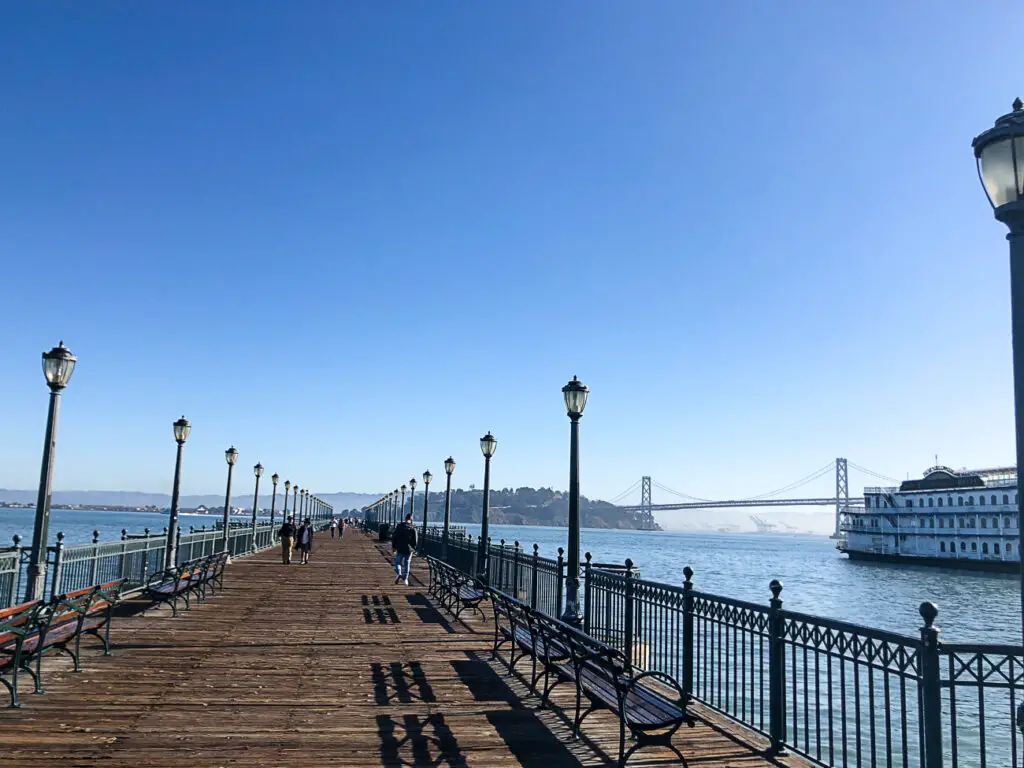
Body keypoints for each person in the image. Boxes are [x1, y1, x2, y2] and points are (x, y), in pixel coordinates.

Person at [390, 512, 418, 585]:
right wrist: (414, 548)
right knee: (407, 563)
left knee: (398, 562)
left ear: (405, 518)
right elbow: (415, 540)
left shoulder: (399, 526)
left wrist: (394, 547)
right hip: (409, 549)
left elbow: (394, 537)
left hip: (399, 548)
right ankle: (405, 579)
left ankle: (399, 573)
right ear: (411, 519)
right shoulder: (413, 527)